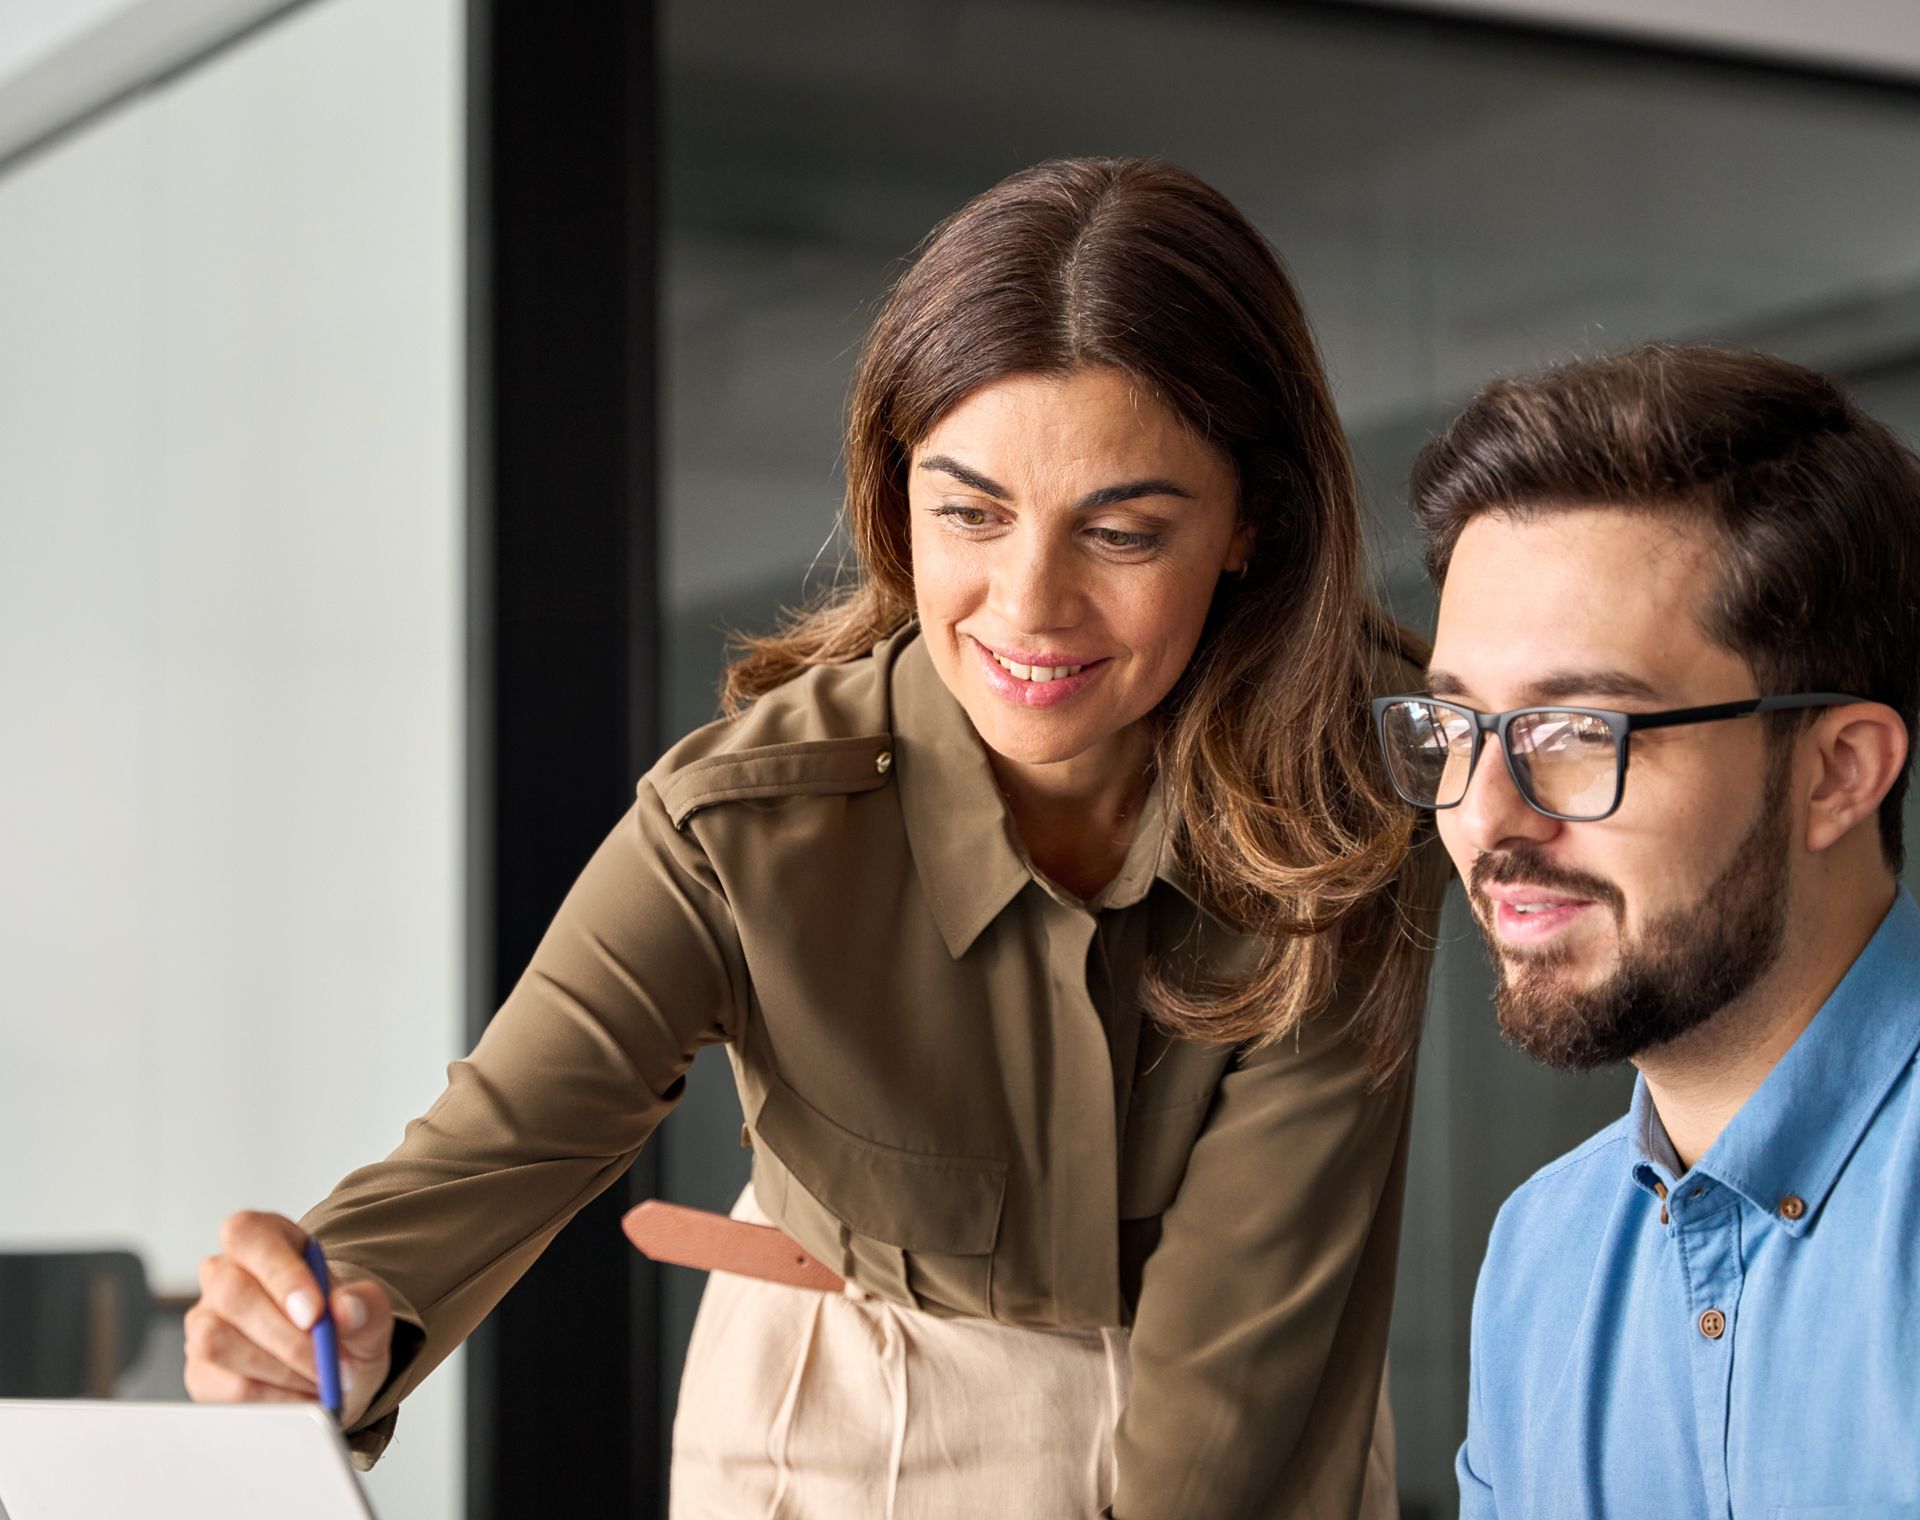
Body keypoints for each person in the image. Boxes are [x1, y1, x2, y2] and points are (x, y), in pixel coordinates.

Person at [184, 157, 1443, 1518]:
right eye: (969, 511)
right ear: (896, 489)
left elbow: (1248, 1345)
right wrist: (326, 1311)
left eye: (1124, 532)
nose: (1031, 606)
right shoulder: (743, 821)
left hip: (1254, 1420)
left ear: (1252, 522)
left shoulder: (1353, 789)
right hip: (847, 1420)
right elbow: (498, 1148)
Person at [1371, 343, 1920, 1517]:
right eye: (1458, 724)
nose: (1484, 815)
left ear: (1839, 772)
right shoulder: (1543, 1258)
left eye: (1578, 728)